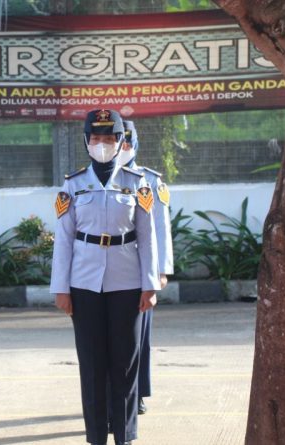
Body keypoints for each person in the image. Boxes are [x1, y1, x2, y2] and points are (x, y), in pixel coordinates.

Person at [50, 109, 160, 445]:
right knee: (93, 364)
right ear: (86, 141)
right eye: (96, 138)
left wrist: (150, 284)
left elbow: (147, 236)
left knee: (125, 363)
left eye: (110, 138)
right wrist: (61, 288)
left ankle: (124, 436)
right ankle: (96, 436)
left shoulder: (137, 184)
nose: (103, 144)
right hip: (84, 285)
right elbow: (64, 239)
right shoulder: (72, 185)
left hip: (127, 283)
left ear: (121, 141)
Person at [116, 120, 173, 415]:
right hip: (111, 268)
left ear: (135, 143)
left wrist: (161, 270)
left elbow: (161, 228)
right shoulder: (97, 178)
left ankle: (136, 392)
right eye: (118, 141)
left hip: (142, 269)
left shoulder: (149, 180)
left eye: (128, 142)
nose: (122, 148)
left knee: (140, 337)